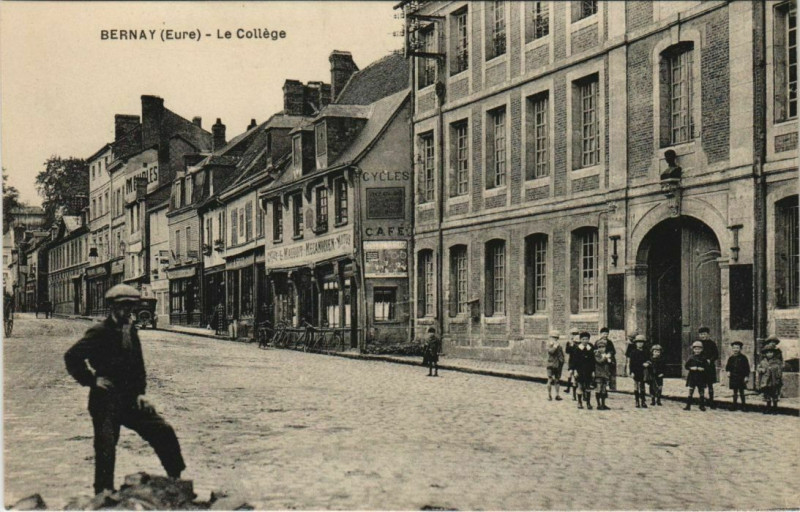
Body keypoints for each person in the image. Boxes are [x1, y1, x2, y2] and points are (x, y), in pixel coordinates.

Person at [64, 284, 185, 495]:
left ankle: (176, 479)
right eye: (122, 306)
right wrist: (92, 381)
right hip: (105, 401)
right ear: (112, 306)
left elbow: (138, 365)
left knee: (162, 430)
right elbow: (72, 356)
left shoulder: (131, 330)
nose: (127, 310)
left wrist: (141, 394)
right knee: (106, 447)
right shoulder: (99, 332)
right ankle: (103, 494)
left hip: (129, 399)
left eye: (130, 306)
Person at [684, 341, 710, 411]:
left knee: (701, 391)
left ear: (701, 350)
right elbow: (686, 366)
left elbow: (707, 367)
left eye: (699, 349)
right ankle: (688, 405)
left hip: (701, 377)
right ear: (693, 349)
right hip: (692, 376)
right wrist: (691, 368)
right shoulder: (691, 357)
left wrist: (703, 369)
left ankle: (702, 406)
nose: (697, 351)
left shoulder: (703, 358)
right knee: (691, 390)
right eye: (695, 349)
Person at [725, 341, 751, 411]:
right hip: (733, 377)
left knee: (742, 392)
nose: (735, 349)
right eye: (734, 348)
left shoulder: (743, 358)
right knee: (735, 392)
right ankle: (734, 405)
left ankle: (743, 405)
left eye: (737, 348)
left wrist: (746, 376)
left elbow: (747, 368)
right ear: (732, 349)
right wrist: (728, 372)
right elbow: (728, 367)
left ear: (740, 349)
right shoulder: (731, 358)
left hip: (741, 377)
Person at [757, 344, 783, 414]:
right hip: (766, 382)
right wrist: (761, 370)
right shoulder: (763, 362)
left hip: (774, 381)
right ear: (765, 354)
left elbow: (780, 371)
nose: (769, 354)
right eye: (767, 353)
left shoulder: (777, 362)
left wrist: (777, 375)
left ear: (774, 353)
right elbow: (759, 369)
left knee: (774, 395)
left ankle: (775, 409)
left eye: (771, 352)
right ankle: (768, 408)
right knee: (767, 395)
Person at [698, 326, 719, 409]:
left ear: (708, 334)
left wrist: (711, 360)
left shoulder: (712, 344)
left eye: (704, 334)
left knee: (710, 385)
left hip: (710, 367)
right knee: (701, 385)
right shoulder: (698, 344)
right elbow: (695, 354)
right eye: (701, 334)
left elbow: (716, 354)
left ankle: (711, 402)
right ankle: (701, 403)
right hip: (701, 367)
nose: (703, 336)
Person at [573, 332, 595, 410]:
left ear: (589, 340)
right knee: (580, 386)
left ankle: (588, 403)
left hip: (588, 370)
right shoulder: (577, 349)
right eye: (583, 339)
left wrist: (593, 371)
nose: (585, 341)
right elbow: (574, 361)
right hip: (580, 370)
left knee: (588, 387)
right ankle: (579, 402)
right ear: (580, 340)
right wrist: (575, 370)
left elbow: (593, 361)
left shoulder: (590, 349)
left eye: (586, 339)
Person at [628, 334, 650, 408]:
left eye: (641, 342)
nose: (640, 344)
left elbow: (649, 359)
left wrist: (647, 363)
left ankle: (643, 401)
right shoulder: (633, 352)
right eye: (638, 342)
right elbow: (631, 363)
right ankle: (637, 401)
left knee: (642, 386)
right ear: (636, 343)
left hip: (643, 371)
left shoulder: (646, 352)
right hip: (636, 370)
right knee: (636, 386)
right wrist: (631, 372)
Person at [545, 330, 565, 401]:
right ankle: (549, 395)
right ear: (550, 337)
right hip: (550, 364)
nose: (555, 339)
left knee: (557, 380)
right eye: (553, 337)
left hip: (558, 365)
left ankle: (557, 395)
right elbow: (551, 352)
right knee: (550, 379)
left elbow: (561, 355)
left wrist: (562, 361)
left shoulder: (559, 345)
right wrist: (554, 346)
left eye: (556, 337)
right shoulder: (549, 344)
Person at [593, 339, 612, 410]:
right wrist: (605, 357)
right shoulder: (596, 354)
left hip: (605, 374)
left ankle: (603, 404)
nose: (601, 348)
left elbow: (610, 364)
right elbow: (599, 361)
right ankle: (598, 404)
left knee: (604, 389)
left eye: (603, 347)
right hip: (598, 374)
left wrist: (610, 360)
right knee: (599, 388)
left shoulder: (606, 354)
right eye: (599, 347)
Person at [564, 328, 580, 400]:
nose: (574, 335)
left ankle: (579, 392)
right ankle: (568, 387)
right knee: (570, 373)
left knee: (576, 377)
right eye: (573, 334)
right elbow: (567, 351)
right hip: (572, 360)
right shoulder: (569, 342)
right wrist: (571, 345)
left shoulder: (579, 342)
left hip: (578, 361)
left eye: (575, 333)